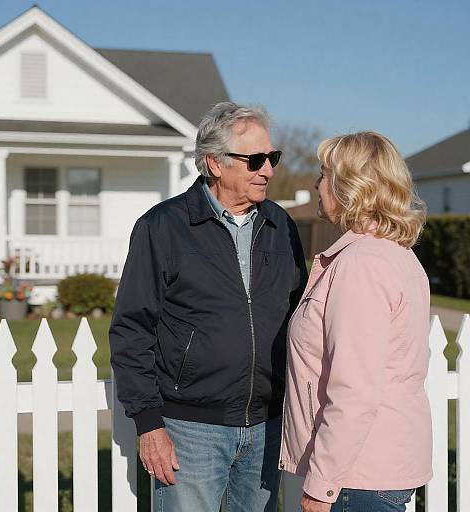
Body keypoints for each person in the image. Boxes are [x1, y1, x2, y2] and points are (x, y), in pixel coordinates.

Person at [110, 101, 307, 512]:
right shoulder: (161, 227)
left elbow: (299, 314)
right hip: (190, 430)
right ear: (215, 164)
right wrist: (149, 424)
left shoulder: (281, 225)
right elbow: (132, 330)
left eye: (272, 158)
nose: (268, 170)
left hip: (268, 425)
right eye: (255, 160)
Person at [280, 131, 433, 512]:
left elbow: (354, 390)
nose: (317, 183)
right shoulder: (396, 255)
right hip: (376, 470)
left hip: (355, 478)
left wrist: (321, 487)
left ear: (353, 186)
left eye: (325, 173)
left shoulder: (361, 264)